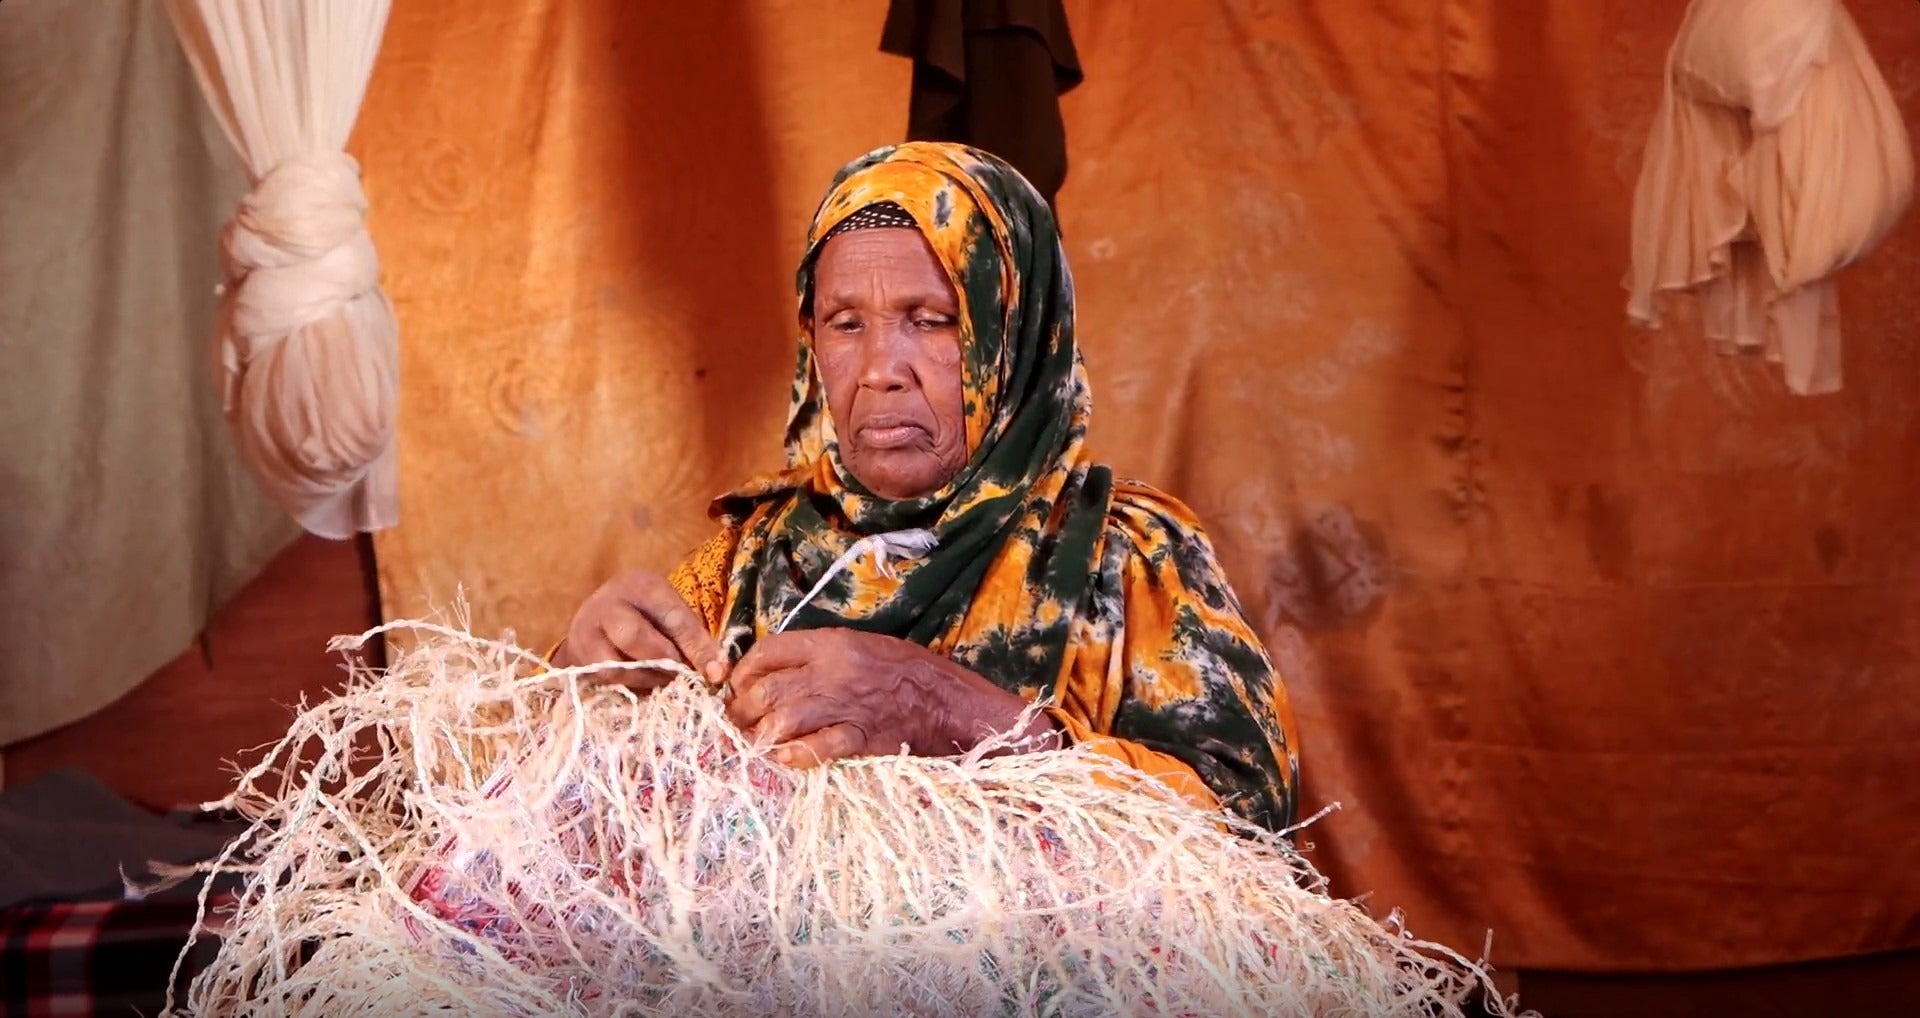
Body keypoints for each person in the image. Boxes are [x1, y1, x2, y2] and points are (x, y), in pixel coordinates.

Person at [554, 142, 1298, 832]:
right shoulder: (755, 553)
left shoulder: (1124, 556)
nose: (881, 368)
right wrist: (577, 686)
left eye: (933, 321)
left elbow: (1249, 824)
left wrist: (947, 708)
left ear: (1014, 336)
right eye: (846, 324)